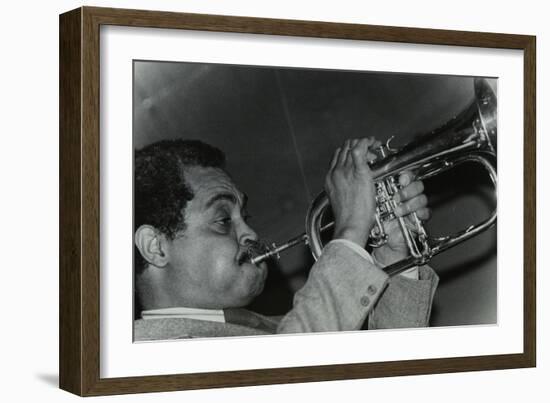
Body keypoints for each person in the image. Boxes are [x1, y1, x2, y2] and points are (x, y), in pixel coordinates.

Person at [133, 138, 438, 341]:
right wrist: (350, 232)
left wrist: (394, 257)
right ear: (155, 247)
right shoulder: (149, 352)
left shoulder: (269, 327)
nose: (250, 234)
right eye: (224, 220)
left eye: (245, 217)